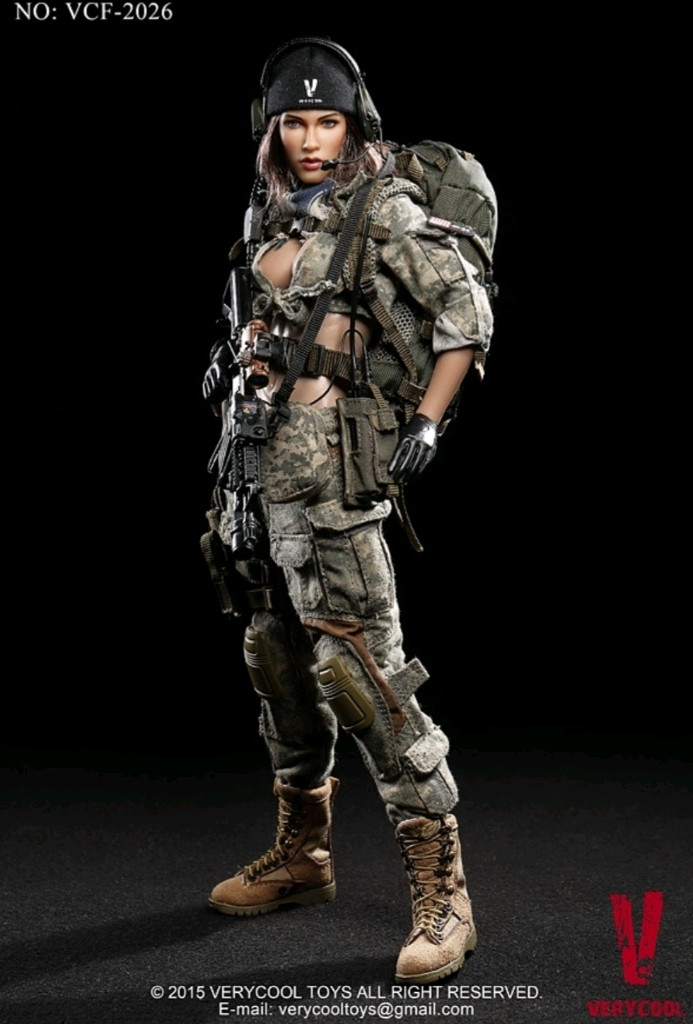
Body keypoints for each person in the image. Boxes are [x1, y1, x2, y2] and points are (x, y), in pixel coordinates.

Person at [202, 37, 496, 983]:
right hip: (255, 474)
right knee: (276, 662)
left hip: (330, 488)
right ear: (271, 130)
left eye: (326, 120)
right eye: (294, 121)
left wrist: (427, 423)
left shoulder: (383, 211)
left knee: (362, 677)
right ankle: (303, 855)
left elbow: (464, 316)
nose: (309, 139)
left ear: (353, 125)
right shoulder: (266, 210)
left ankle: (444, 896)